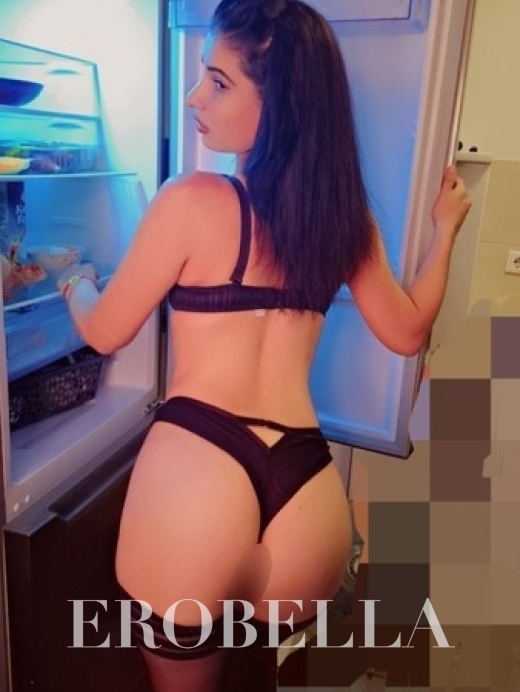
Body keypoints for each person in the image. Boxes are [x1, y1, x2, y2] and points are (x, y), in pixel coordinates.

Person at [57, 0, 472, 690]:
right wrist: (445, 231)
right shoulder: (343, 218)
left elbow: (105, 330)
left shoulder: (190, 200)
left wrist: (75, 282)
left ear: (279, 105)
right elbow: (406, 332)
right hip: (306, 499)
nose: (196, 97)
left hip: (199, 481)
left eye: (219, 82)